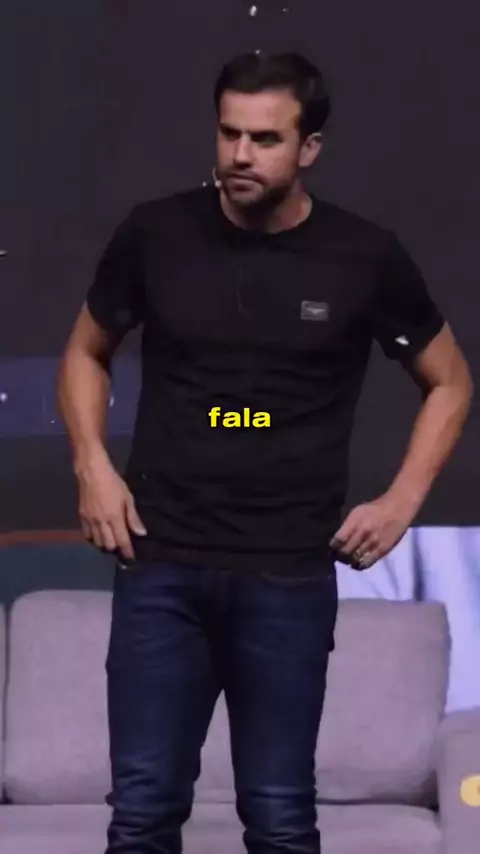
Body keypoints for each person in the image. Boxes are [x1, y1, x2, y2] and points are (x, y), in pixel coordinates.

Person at [57, 52, 473, 854]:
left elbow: (450, 382)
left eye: (265, 139)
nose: (241, 155)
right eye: (229, 134)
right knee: (141, 817)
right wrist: (91, 466)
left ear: (309, 147)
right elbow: (84, 351)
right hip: (160, 564)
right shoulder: (155, 233)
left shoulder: (363, 256)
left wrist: (401, 502)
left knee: (280, 819)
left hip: (287, 574)